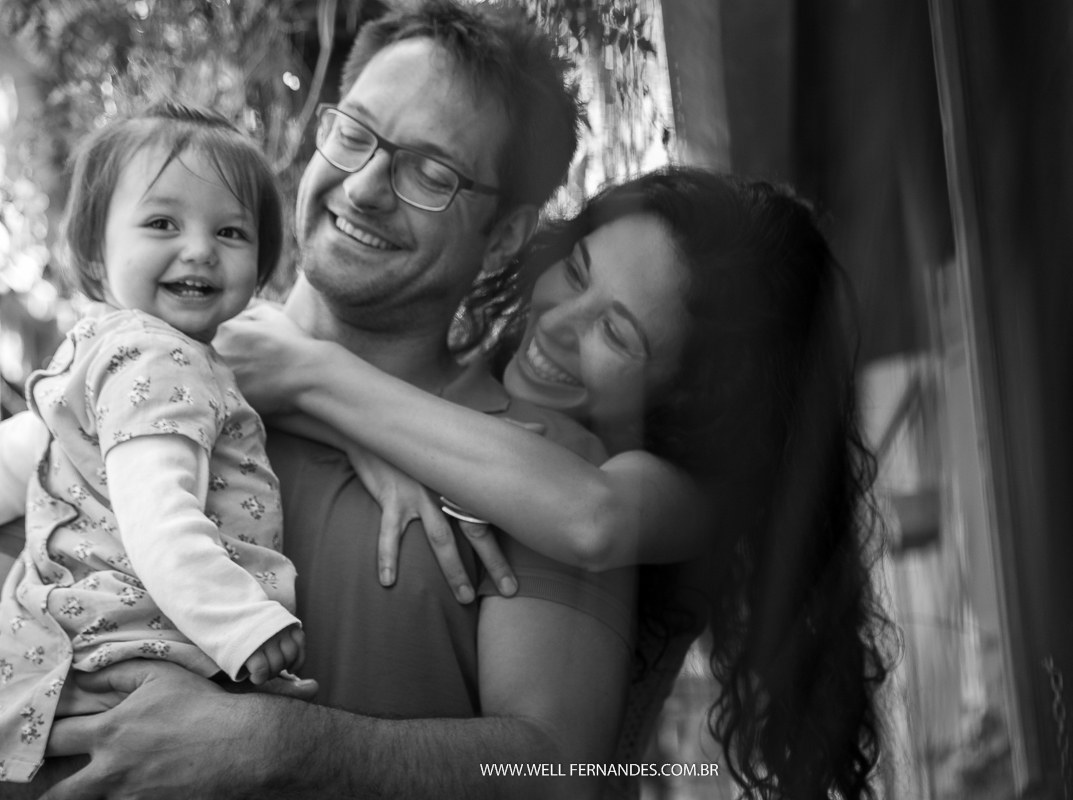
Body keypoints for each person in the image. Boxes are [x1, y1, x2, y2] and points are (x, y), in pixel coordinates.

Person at [10, 2, 639, 798]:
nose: (367, 186)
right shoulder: (150, 363)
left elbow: (556, 770)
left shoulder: (533, 464)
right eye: (356, 133)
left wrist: (277, 744)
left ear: (507, 237)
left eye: (431, 173)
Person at [220, 166, 894, 799]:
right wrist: (362, 440)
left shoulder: (687, 496)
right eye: (576, 273)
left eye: (618, 333)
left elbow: (589, 517)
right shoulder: (473, 377)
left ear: (691, 396)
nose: (562, 325)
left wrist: (313, 374)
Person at [0, 101, 306, 783]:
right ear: (93, 249)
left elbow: (23, 456)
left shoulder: (105, 348)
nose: (199, 248)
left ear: (259, 268)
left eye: (230, 231)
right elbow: (158, 521)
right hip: (137, 649)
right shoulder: (162, 363)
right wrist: (244, 626)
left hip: (62, 649)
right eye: (163, 222)